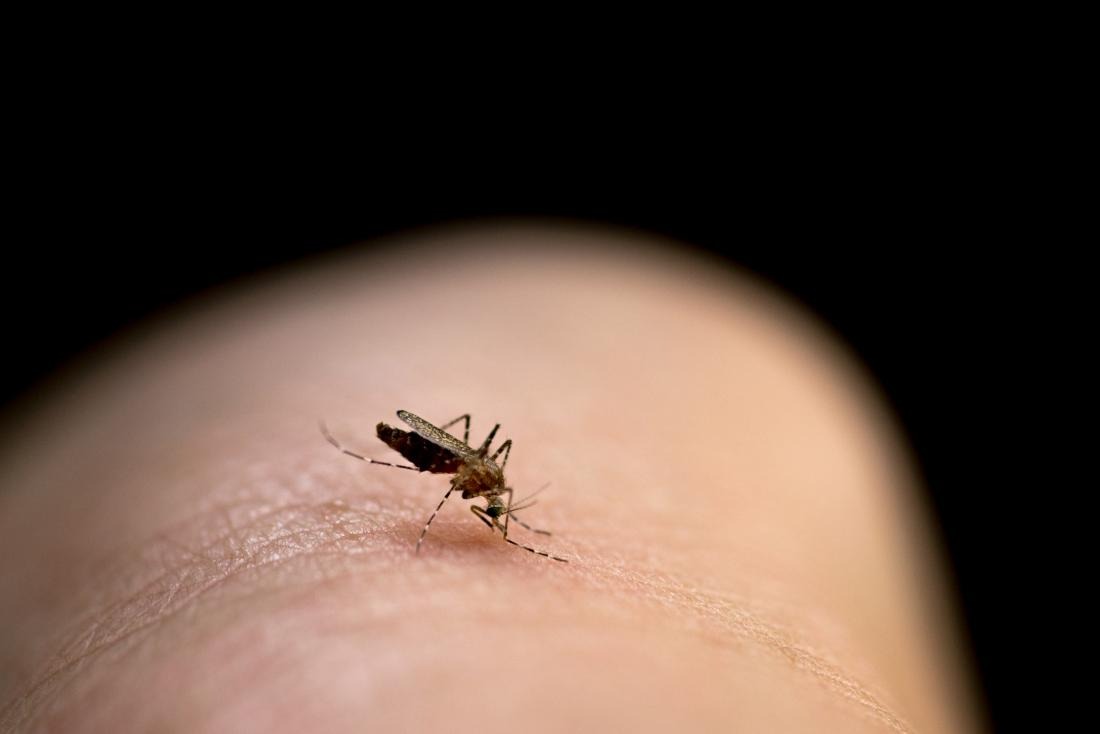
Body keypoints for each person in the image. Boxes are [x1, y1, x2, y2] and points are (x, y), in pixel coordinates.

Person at [0, 224, 982, 733]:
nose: (491, 510)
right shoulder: (466, 479)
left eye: (493, 508)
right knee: (449, 460)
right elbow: (462, 480)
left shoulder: (489, 483)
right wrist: (439, 504)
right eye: (494, 508)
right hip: (437, 436)